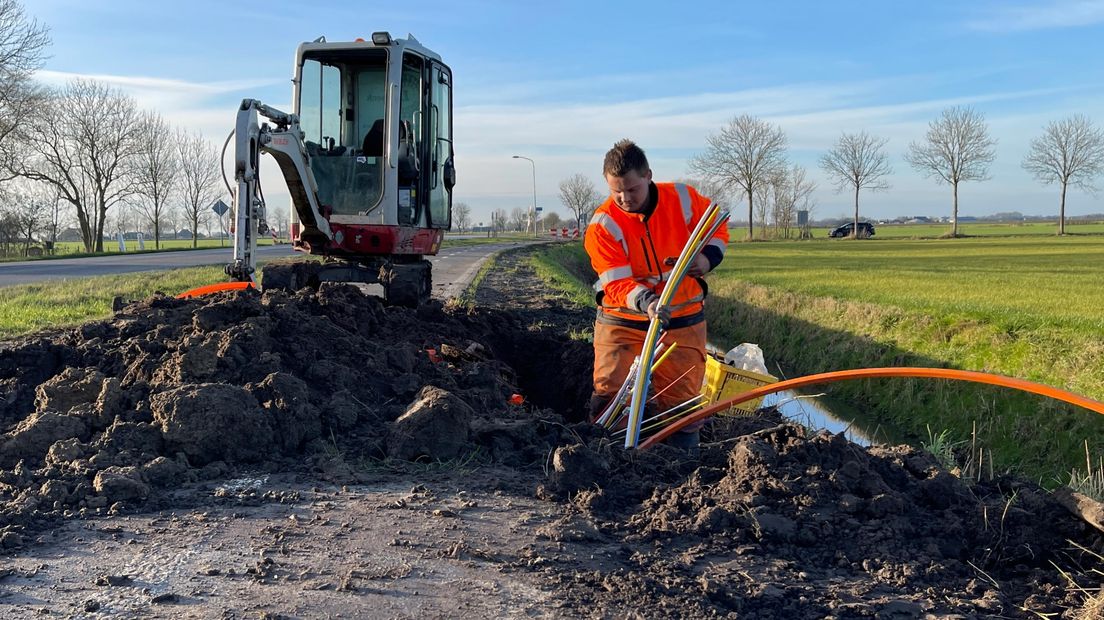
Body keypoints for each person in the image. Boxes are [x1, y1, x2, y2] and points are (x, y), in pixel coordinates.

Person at [584, 139, 729, 450]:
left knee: (682, 399)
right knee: (611, 394)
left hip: (683, 317)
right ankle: (610, 455)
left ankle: (683, 463)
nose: (624, 198)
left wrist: (706, 259)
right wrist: (647, 302)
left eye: (632, 189)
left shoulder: (683, 199)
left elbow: (717, 226)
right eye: (615, 191)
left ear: (648, 175)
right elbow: (616, 282)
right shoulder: (602, 225)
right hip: (623, 320)